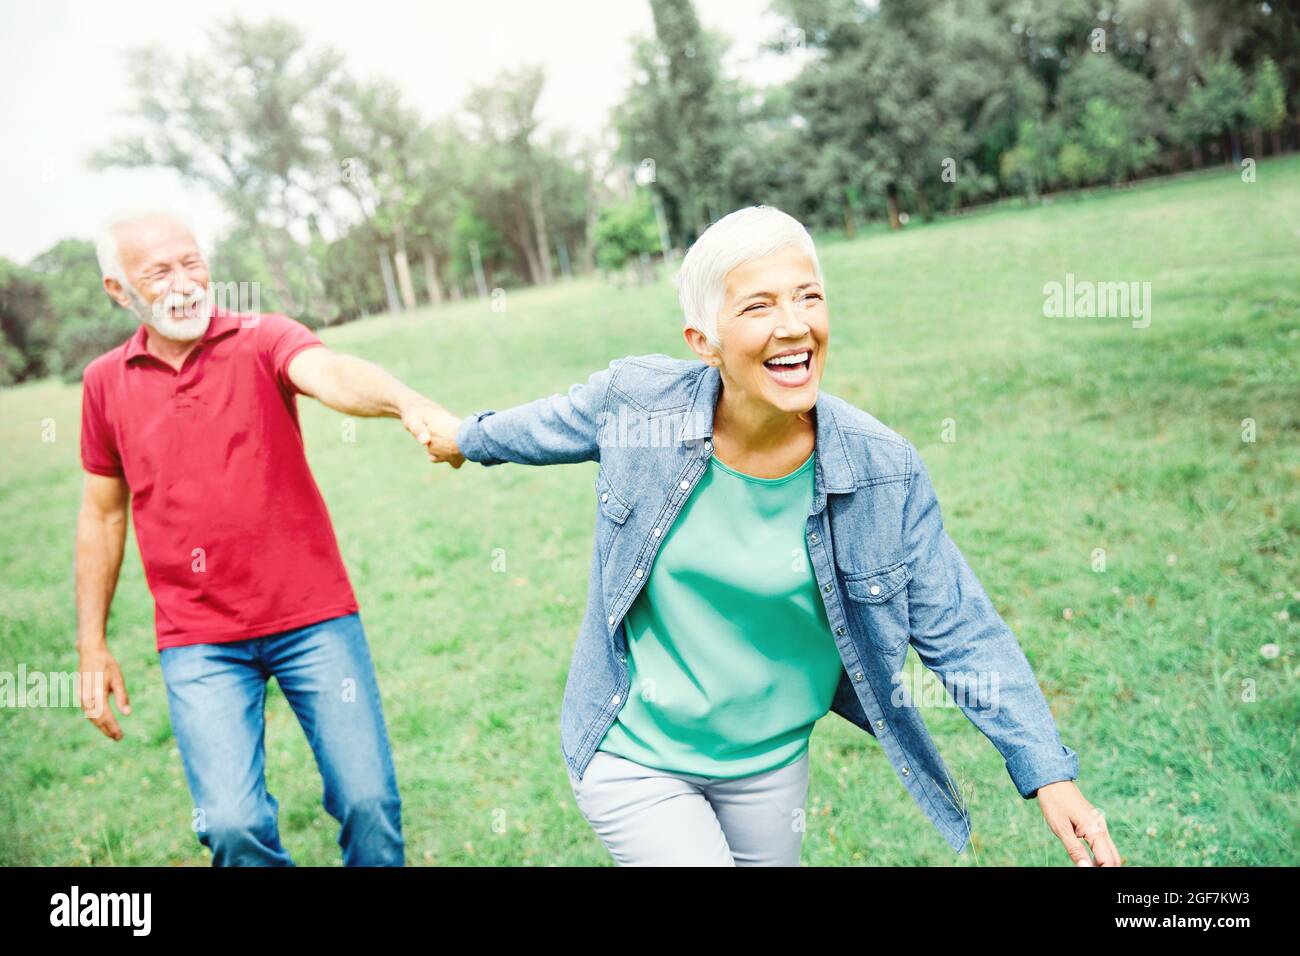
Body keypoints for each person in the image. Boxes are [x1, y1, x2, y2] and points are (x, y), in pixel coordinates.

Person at [419, 205, 1121, 866]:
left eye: (807, 297)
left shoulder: (880, 471)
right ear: (706, 343)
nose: (793, 325)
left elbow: (961, 628)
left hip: (771, 763)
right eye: (758, 306)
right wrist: (462, 437)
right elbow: (548, 425)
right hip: (635, 752)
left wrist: (1048, 774)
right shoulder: (640, 405)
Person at [75, 211, 460, 866]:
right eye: (158, 272)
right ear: (119, 291)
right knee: (230, 824)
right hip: (197, 640)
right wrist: (92, 643)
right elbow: (104, 515)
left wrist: (406, 402)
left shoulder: (262, 338)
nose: (183, 283)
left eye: (191, 261)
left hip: (313, 618)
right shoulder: (104, 382)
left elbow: (330, 373)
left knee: (369, 801)